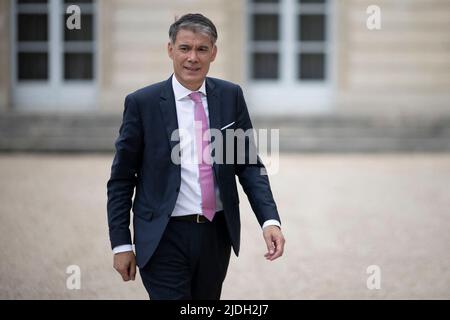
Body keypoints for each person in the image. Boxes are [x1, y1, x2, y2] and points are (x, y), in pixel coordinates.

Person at [107, 13, 285, 300]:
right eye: (184, 48)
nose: (193, 57)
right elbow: (121, 180)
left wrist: (270, 221)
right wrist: (121, 244)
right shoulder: (142, 104)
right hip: (162, 235)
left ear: (213, 53)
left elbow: (249, 165)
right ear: (170, 50)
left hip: (215, 236)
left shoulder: (230, 96)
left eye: (202, 49)